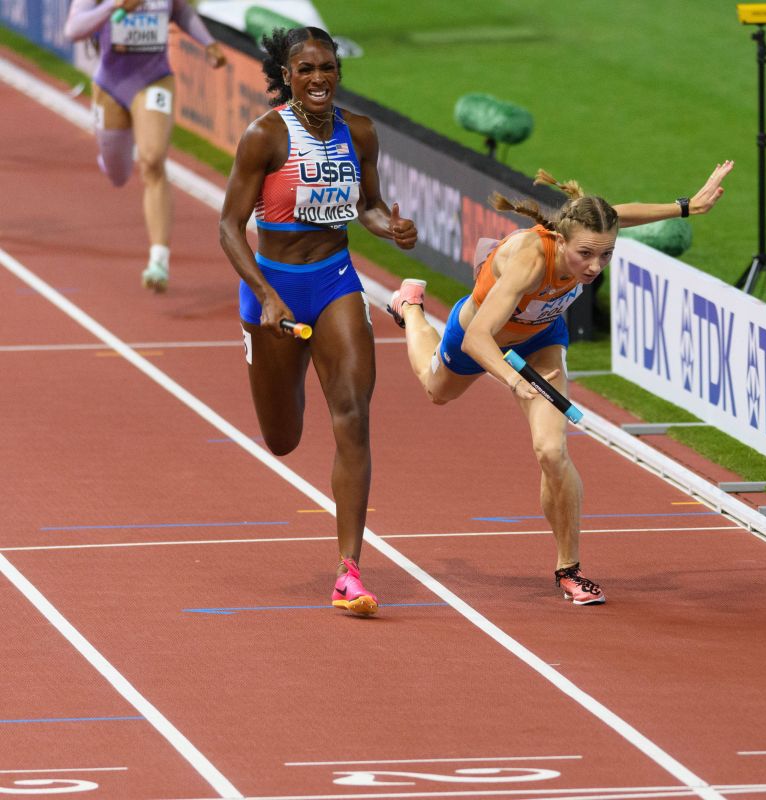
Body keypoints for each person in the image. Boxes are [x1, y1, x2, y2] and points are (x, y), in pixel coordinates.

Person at [390, 161, 733, 605]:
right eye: (585, 255)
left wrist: (686, 206)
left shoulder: (590, 231)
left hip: (544, 339)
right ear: (560, 240)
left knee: (552, 450)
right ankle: (411, 306)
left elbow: (618, 214)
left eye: (605, 254)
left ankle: (569, 569)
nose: (594, 266)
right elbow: (478, 338)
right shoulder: (533, 260)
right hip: (481, 334)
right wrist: (514, 382)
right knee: (436, 390)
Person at [218, 26, 418, 616]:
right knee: (283, 440)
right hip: (272, 291)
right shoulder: (264, 137)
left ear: (338, 70)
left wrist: (391, 228)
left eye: (326, 67)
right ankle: (281, 363)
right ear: (285, 76)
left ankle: (348, 570)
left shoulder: (360, 132)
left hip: (335, 281)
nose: (318, 78)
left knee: (353, 413)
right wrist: (267, 297)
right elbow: (229, 227)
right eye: (304, 69)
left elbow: (369, 205)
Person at [65, 0, 226, 292]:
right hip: (110, 85)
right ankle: (111, 157)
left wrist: (208, 43)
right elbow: (73, 29)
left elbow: (181, 11)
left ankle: (159, 260)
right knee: (118, 174)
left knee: (152, 160)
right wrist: (116, 6)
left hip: (155, 80)